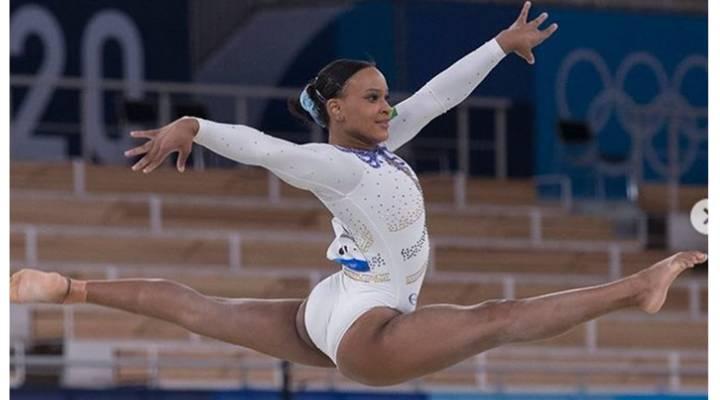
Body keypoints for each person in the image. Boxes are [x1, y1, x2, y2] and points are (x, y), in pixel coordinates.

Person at [10, 1, 707, 387]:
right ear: (336, 109)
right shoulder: (336, 165)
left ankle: (71, 289)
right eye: (372, 98)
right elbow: (267, 150)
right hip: (369, 330)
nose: (386, 106)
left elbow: (436, 94)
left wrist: (497, 45)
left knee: (201, 309)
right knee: (497, 317)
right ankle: (636, 287)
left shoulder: (383, 145)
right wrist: (195, 124)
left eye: (384, 96)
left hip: (336, 305)